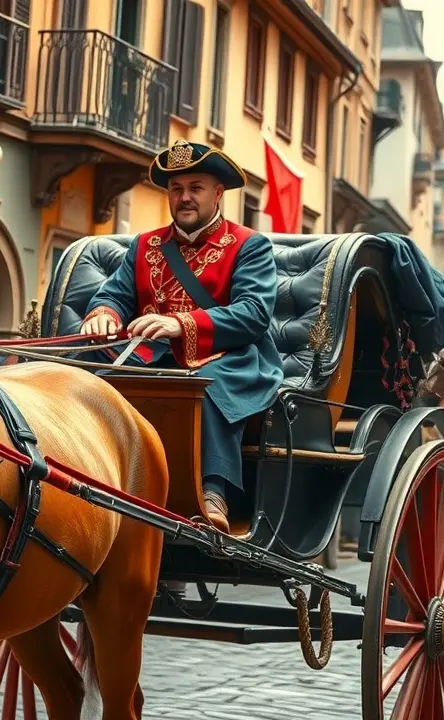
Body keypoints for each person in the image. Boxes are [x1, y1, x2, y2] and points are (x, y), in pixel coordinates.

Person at [79, 138, 283, 533]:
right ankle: (75, 468)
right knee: (80, 363)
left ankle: (212, 492)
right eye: (176, 189)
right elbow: (114, 295)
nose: (184, 197)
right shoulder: (145, 244)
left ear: (218, 193)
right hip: (152, 354)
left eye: (195, 188)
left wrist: (182, 324)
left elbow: (254, 314)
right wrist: (103, 315)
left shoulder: (249, 245)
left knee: (203, 383)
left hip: (229, 356)